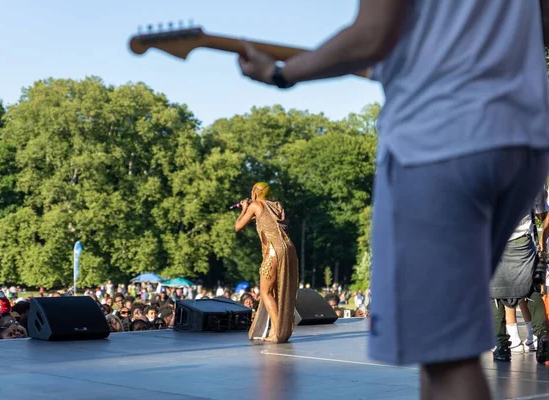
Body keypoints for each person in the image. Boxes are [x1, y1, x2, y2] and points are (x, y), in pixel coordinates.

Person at [236, 1, 549, 399]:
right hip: (523, 138)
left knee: (445, 358)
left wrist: (280, 73)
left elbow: (372, 34)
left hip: (443, 141)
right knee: (443, 347)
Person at [491, 184, 549, 363]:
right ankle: (543, 339)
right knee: (531, 289)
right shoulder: (532, 180)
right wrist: (541, 241)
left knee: (495, 294)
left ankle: (502, 347)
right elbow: (544, 214)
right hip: (523, 244)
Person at [234, 182, 299, 343]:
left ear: (255, 193)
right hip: (288, 248)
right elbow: (265, 219)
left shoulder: (255, 204)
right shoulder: (276, 206)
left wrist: (244, 208)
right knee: (277, 290)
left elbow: (238, 226)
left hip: (273, 250)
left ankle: (278, 332)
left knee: (265, 292)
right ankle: (277, 331)